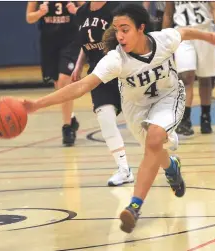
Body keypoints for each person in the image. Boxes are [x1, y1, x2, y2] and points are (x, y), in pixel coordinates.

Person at [21, 4, 215, 233]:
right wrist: (38, 104)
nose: (120, 35)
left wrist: (212, 37)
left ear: (141, 28)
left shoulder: (163, 40)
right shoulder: (115, 59)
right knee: (155, 148)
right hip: (136, 109)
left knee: (155, 139)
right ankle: (171, 167)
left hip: (169, 97)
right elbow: (81, 86)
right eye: (116, 30)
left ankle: (134, 206)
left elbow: (184, 31)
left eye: (125, 29)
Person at [71, 1, 134, 186]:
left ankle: (166, 137)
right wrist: (78, 65)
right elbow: (85, 44)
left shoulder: (117, 8)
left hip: (123, 69)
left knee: (142, 123)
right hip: (99, 74)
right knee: (105, 118)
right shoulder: (82, 12)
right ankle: (124, 169)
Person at [26, 1, 83, 146]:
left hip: (70, 41)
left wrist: (75, 10)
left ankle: (67, 128)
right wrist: (40, 13)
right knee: (59, 85)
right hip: (49, 43)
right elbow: (29, 17)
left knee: (65, 81)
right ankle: (71, 117)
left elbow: (86, 10)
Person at [163, 1, 215, 137]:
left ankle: (205, 116)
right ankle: (185, 120)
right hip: (183, 34)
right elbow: (168, 12)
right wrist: (164, 36)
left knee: (205, 78)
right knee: (186, 76)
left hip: (205, 32)